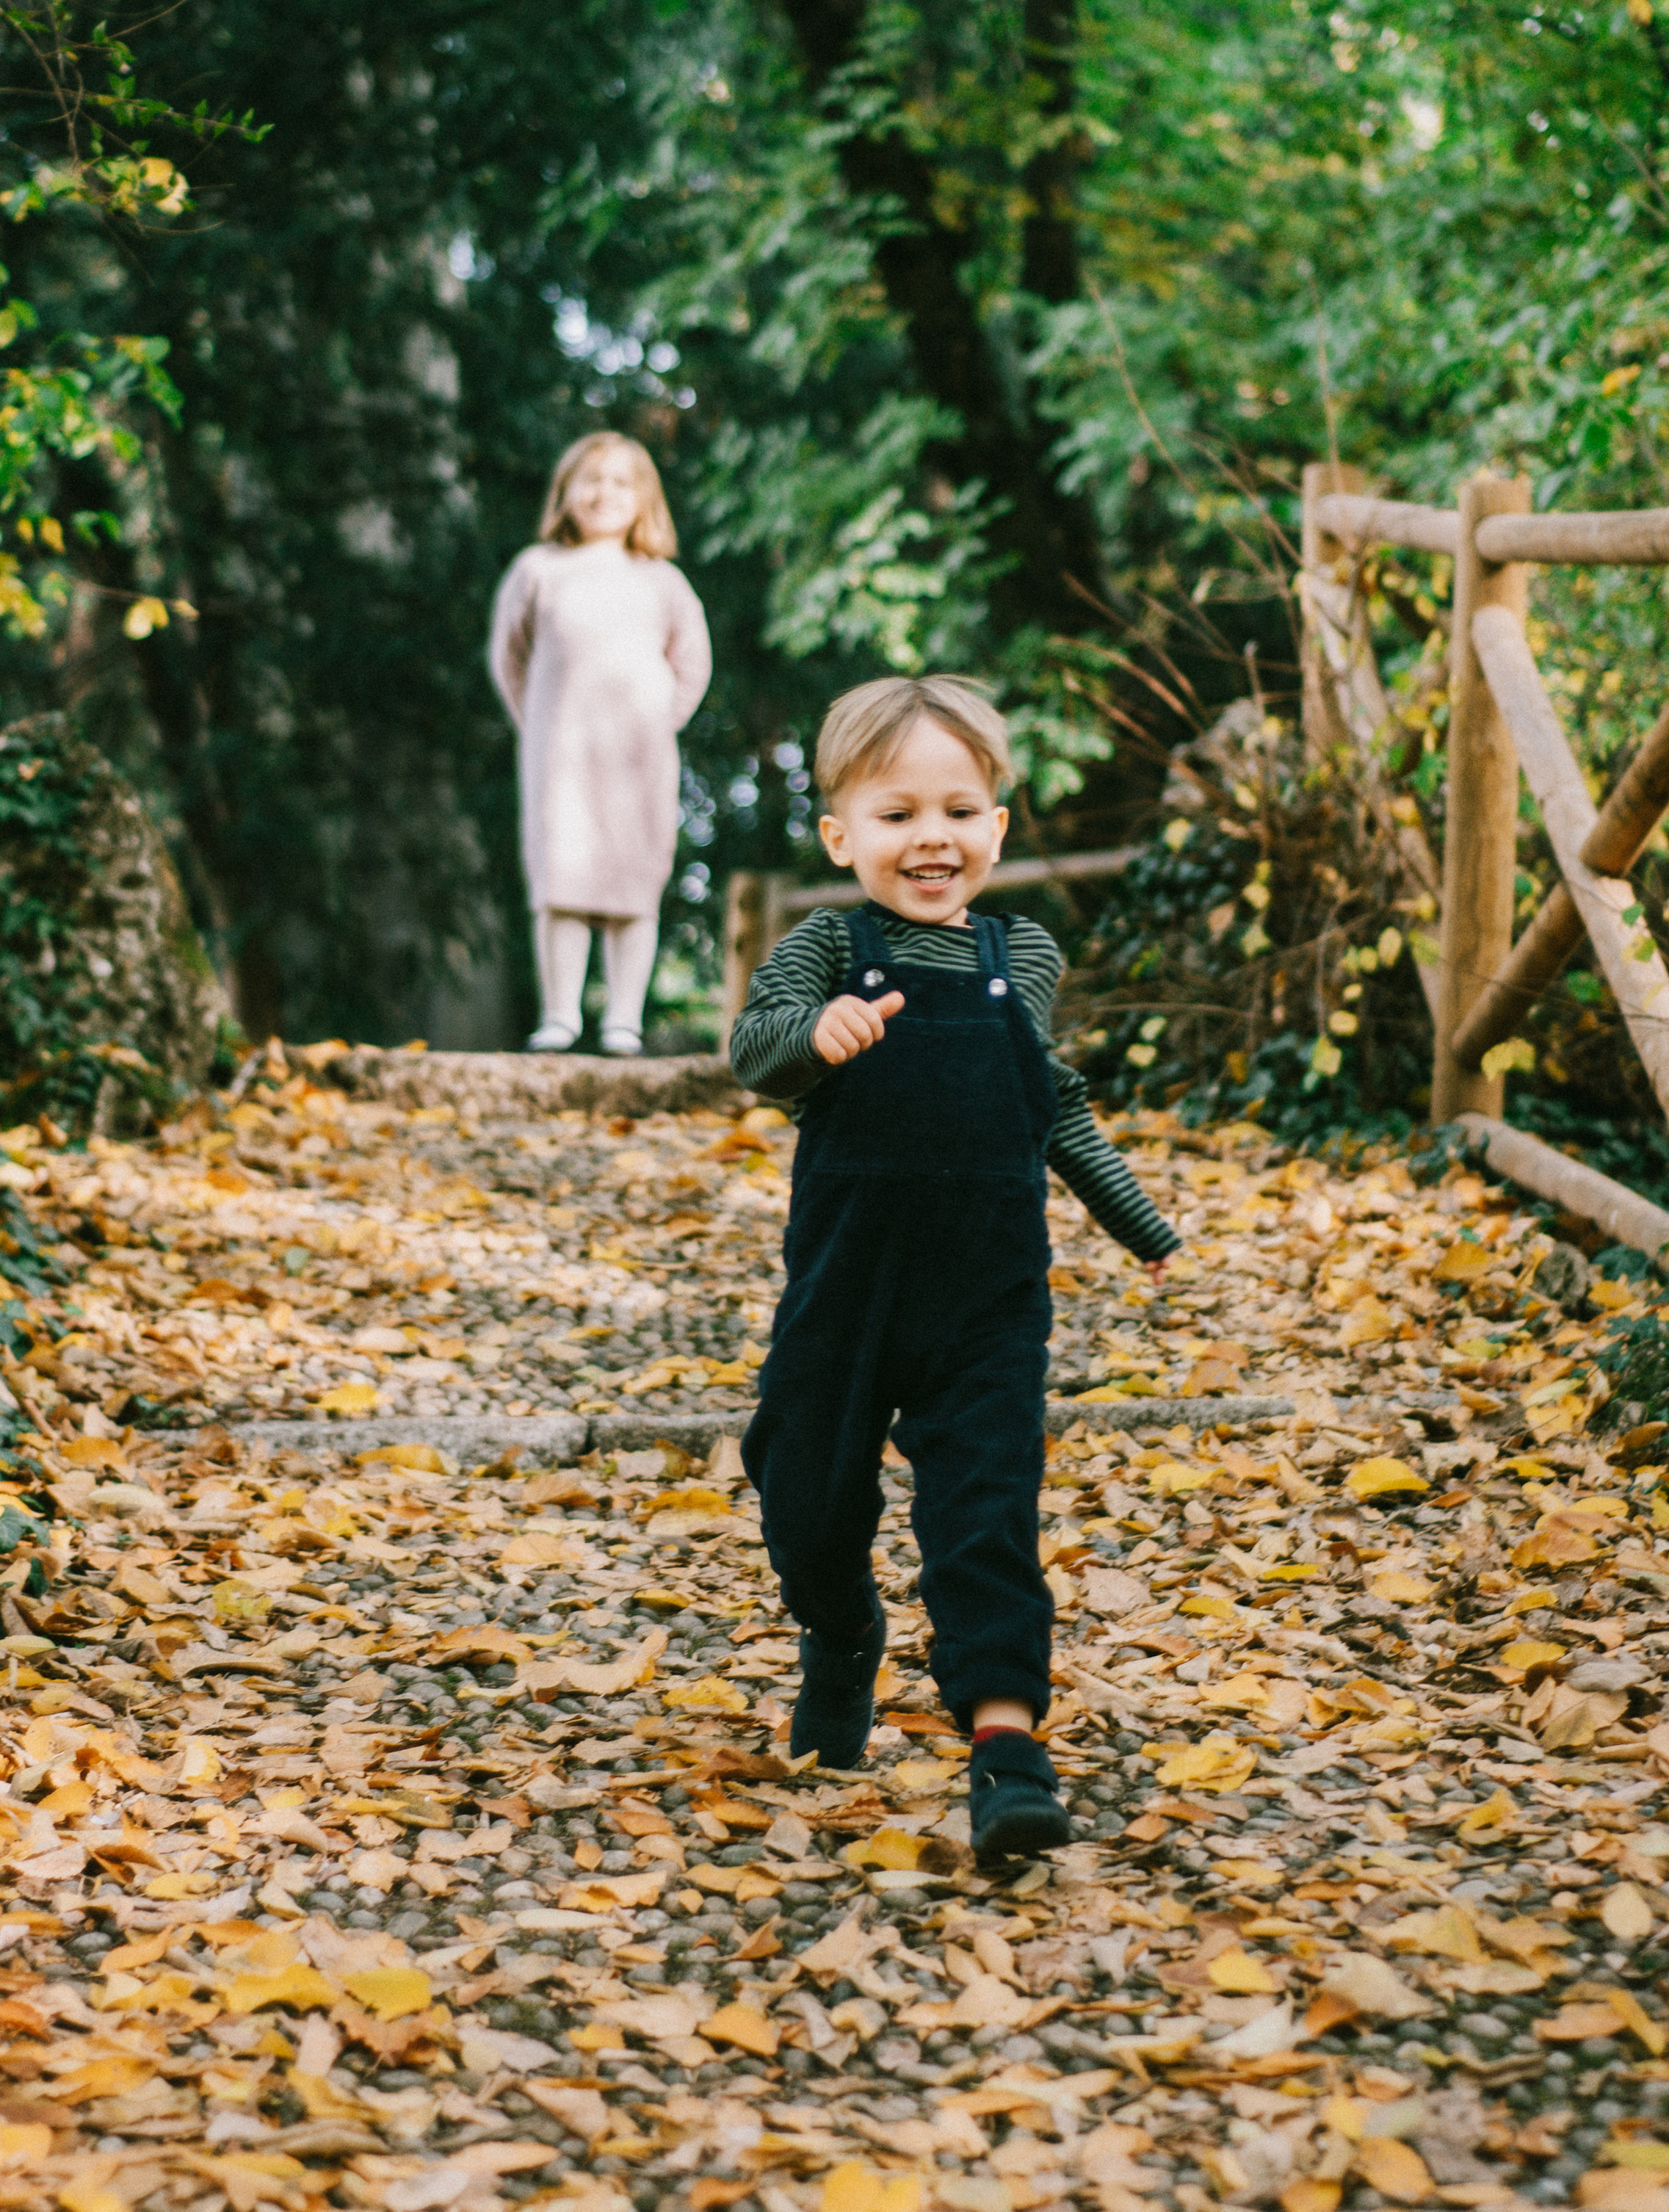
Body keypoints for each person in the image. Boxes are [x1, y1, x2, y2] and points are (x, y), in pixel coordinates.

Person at [729, 673, 1181, 1861]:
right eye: (896, 814)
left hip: (989, 1292)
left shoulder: (1018, 953)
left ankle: (1005, 1744)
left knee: (986, 1512)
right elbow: (753, 1047)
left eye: (959, 808)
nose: (931, 836)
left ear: (996, 824)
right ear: (841, 835)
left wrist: (1144, 1227)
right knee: (803, 1487)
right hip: (850, 1284)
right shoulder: (828, 943)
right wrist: (811, 1037)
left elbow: (1051, 1104)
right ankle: (842, 1631)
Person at [488, 432, 711, 1056]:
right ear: (566, 493)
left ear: (644, 499)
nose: (604, 492)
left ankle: (623, 1019)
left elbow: (693, 662)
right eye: (592, 480)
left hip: (640, 761)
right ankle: (559, 1015)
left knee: (634, 883)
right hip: (560, 758)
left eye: (620, 482)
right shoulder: (539, 571)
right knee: (560, 880)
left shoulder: (662, 581)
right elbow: (512, 660)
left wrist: (659, 722)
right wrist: (539, 725)